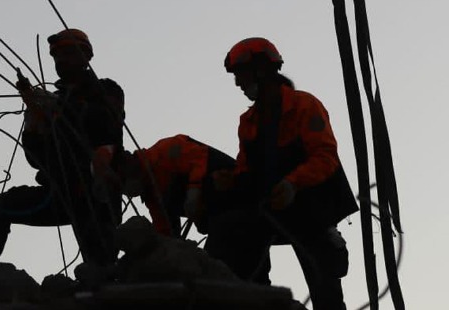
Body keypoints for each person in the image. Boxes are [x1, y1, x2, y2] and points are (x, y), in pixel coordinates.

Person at [207, 37, 357, 310]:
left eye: (241, 74)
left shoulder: (304, 105)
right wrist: (230, 180)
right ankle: (259, 299)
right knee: (228, 229)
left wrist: (292, 184)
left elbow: (325, 157)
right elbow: (245, 168)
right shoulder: (248, 122)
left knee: (325, 288)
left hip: (310, 209)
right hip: (270, 210)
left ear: (262, 70)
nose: (238, 83)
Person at [0, 28, 125, 277]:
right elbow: (36, 159)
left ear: (85, 56)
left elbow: (104, 123)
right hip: (58, 193)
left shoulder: (106, 90)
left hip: (94, 196)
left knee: (101, 268)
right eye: (56, 55)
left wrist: (57, 107)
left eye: (67, 53)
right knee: (0, 206)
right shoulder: (53, 103)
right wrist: (34, 122)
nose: (60, 60)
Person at [117, 134, 235, 237]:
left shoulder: (165, 151)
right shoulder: (152, 195)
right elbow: (165, 231)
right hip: (218, 215)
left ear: (129, 162)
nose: (126, 191)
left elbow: (200, 158)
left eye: (123, 181)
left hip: (233, 183)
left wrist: (194, 190)